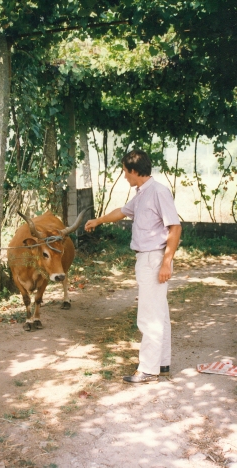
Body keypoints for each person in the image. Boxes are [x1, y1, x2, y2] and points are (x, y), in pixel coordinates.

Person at [85, 149, 181, 385]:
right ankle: (161, 364)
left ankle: (148, 369)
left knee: (149, 316)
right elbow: (122, 211)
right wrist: (98, 220)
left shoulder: (158, 192)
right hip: (146, 258)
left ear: (135, 171)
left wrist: (166, 262)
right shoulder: (142, 194)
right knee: (159, 313)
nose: (125, 176)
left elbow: (175, 228)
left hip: (153, 258)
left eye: (126, 172)